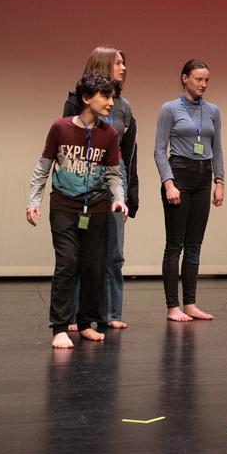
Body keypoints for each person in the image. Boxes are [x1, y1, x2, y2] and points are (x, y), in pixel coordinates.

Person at [26, 72, 129, 349]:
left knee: (93, 267)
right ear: (86, 99)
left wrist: (118, 198)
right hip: (64, 206)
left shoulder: (109, 134)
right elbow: (43, 167)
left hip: (95, 208)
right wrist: (33, 201)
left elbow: (113, 175)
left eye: (112, 97)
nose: (110, 103)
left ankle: (86, 324)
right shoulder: (60, 128)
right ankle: (60, 327)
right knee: (67, 262)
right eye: (105, 97)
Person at [61, 47, 139, 330]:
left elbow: (129, 154)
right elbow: (67, 147)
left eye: (124, 63)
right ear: (103, 66)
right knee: (82, 253)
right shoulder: (75, 103)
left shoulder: (124, 107)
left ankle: (111, 313)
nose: (123, 68)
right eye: (118, 62)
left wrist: (131, 193)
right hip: (85, 188)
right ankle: (75, 316)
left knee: (113, 255)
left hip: (114, 188)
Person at [155, 59, 224, 322]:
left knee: (195, 244)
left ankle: (191, 304)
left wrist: (220, 181)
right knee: (175, 245)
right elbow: (159, 150)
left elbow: (217, 148)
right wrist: (168, 183)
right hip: (179, 174)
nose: (203, 84)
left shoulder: (213, 111)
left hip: (203, 176)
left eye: (206, 80)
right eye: (198, 79)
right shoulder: (169, 109)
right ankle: (173, 306)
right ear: (184, 78)